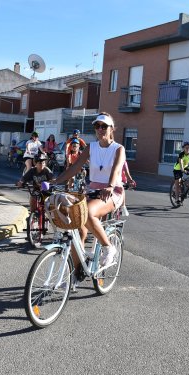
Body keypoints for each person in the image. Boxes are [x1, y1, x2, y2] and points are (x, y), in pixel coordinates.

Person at [53, 112, 125, 279]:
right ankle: (77, 273)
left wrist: (110, 185)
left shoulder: (118, 149)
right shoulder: (91, 147)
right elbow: (74, 168)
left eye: (104, 126)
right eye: (97, 126)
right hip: (92, 189)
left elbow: (115, 170)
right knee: (76, 226)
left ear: (111, 128)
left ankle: (108, 247)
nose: (100, 129)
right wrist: (56, 181)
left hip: (112, 191)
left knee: (87, 212)